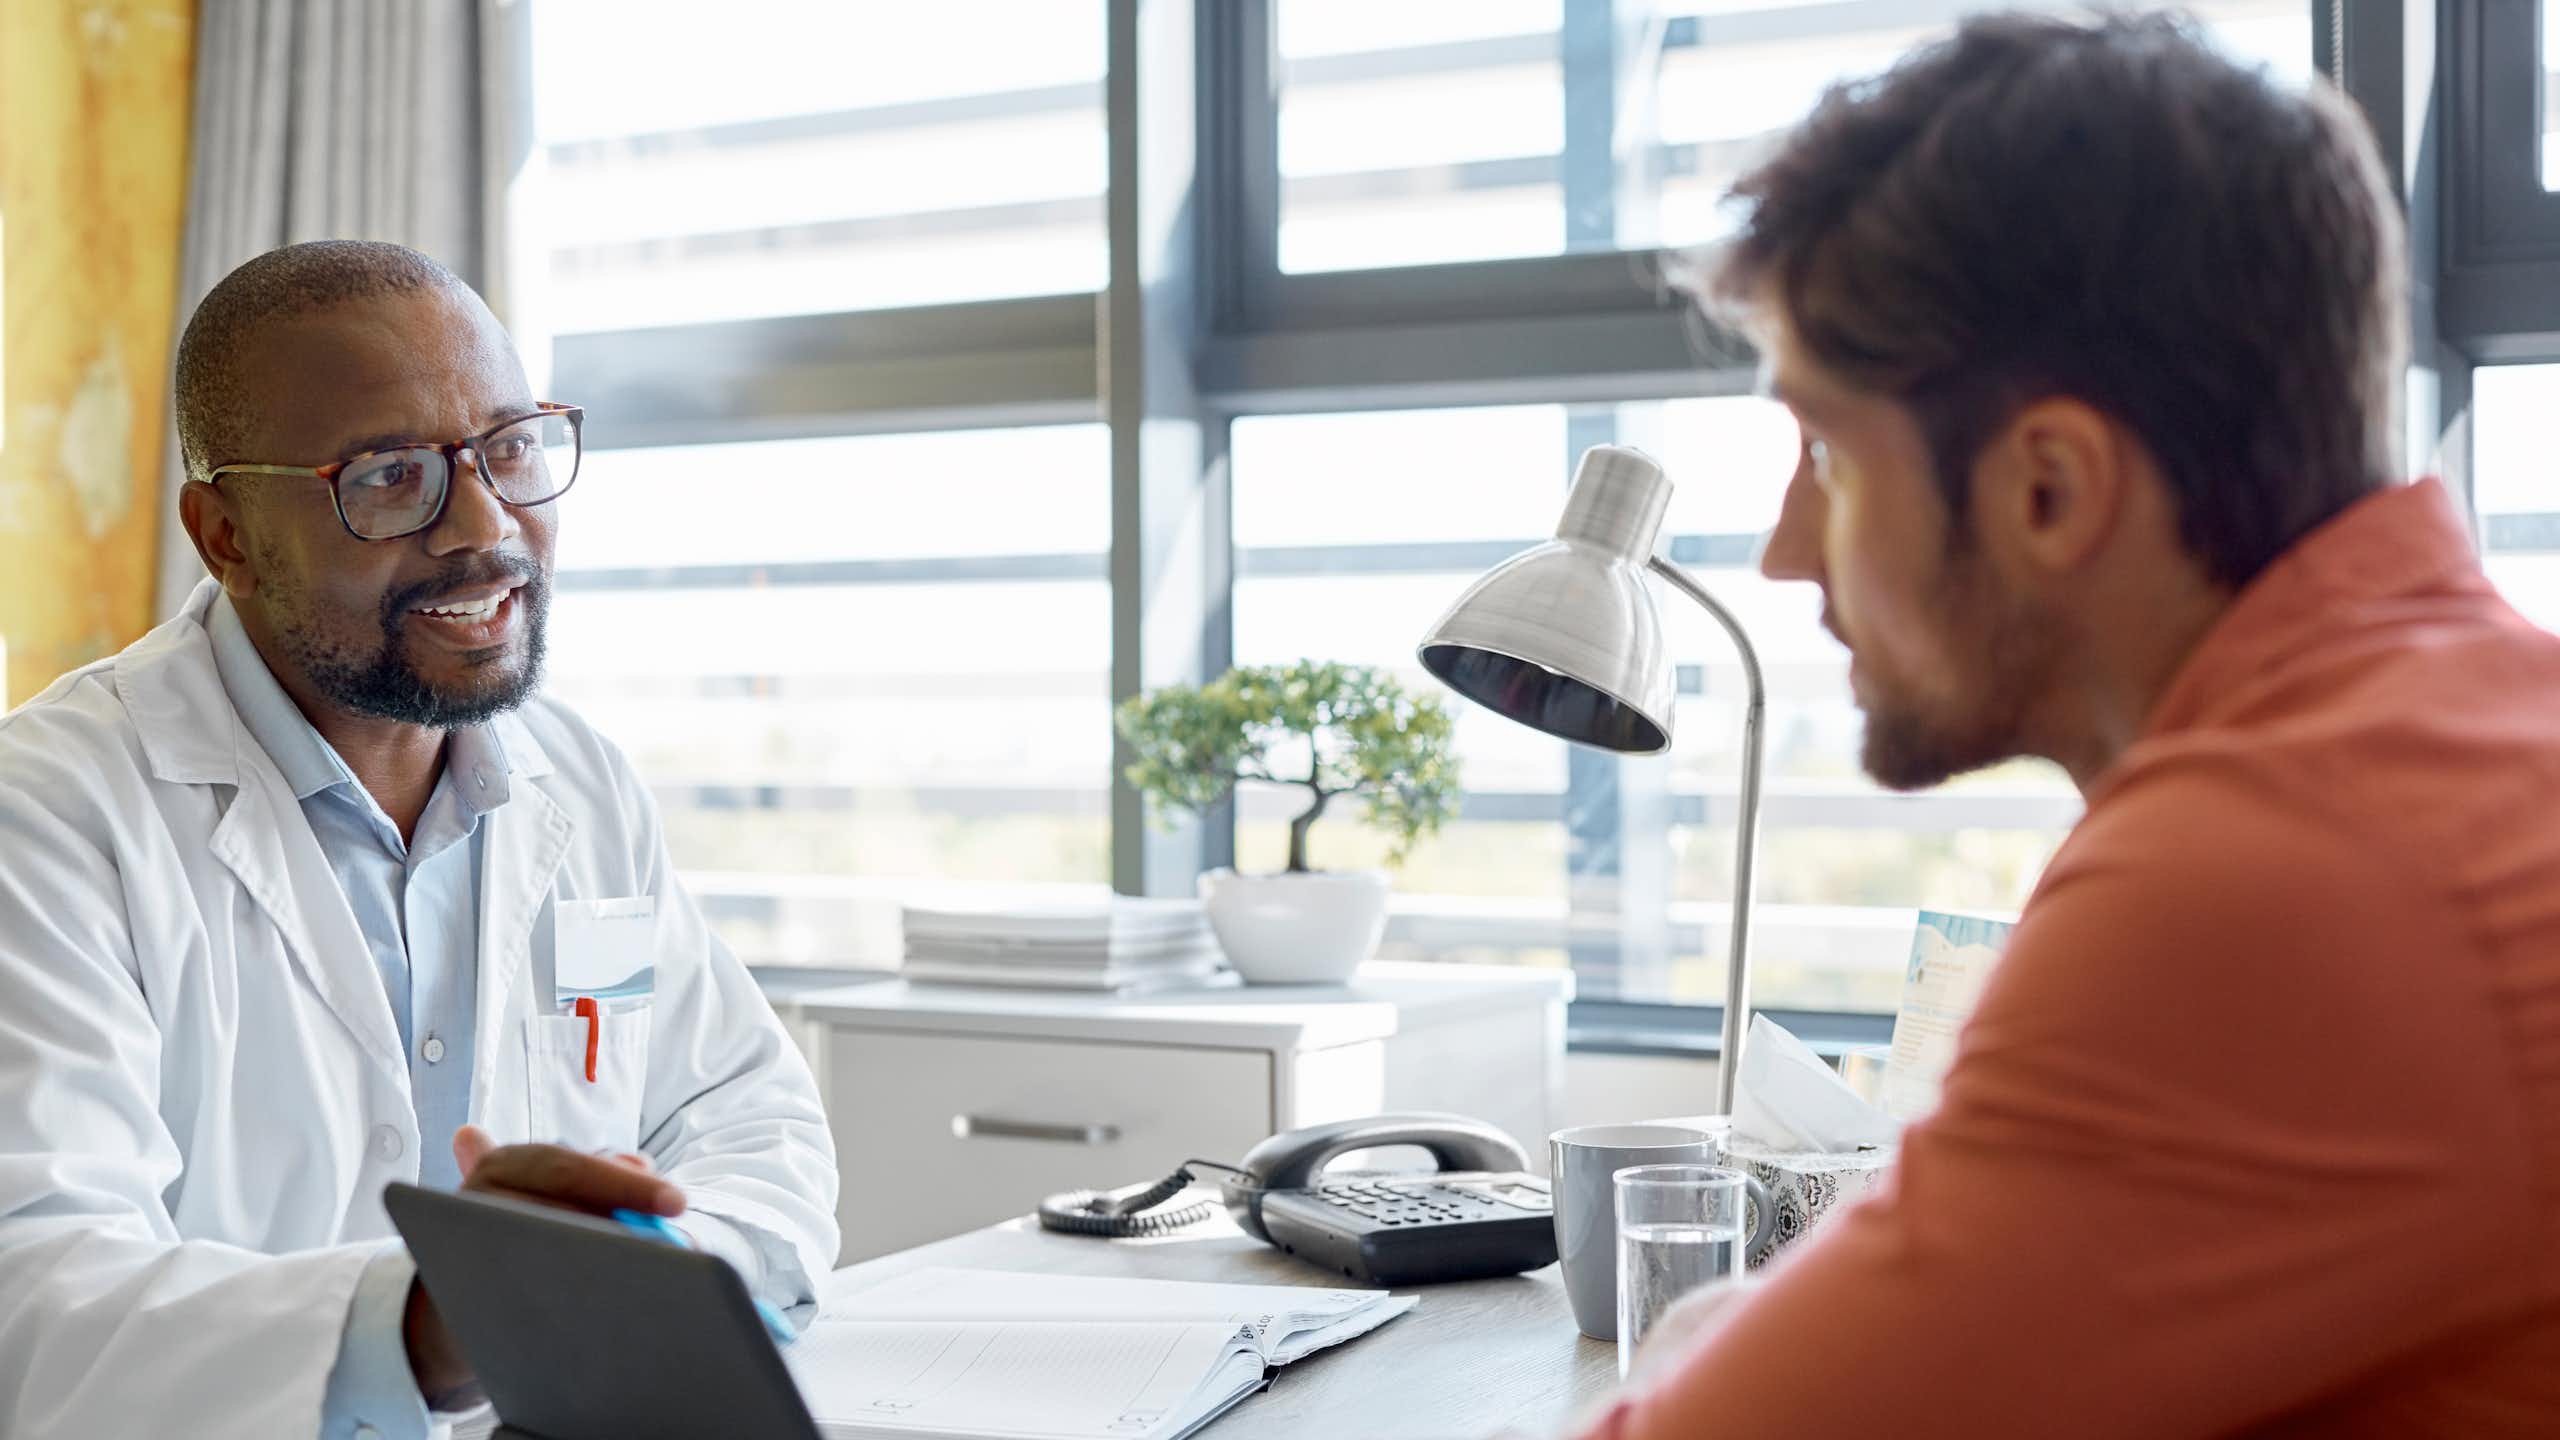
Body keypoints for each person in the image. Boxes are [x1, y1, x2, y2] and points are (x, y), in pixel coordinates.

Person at [1575, 12, 2560, 1437]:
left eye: (1830, 455)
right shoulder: (2463, 734)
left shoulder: (2275, 872)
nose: (1786, 552)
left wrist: (1698, 1352)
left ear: (2049, 487)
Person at [0, 240, 838, 1440]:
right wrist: (430, 1327)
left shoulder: (580, 781)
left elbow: (750, 1124)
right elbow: (36, 1298)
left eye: (509, 449)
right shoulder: (47, 820)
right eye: (391, 476)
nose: (485, 525)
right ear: (225, 534)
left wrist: (638, 1283)